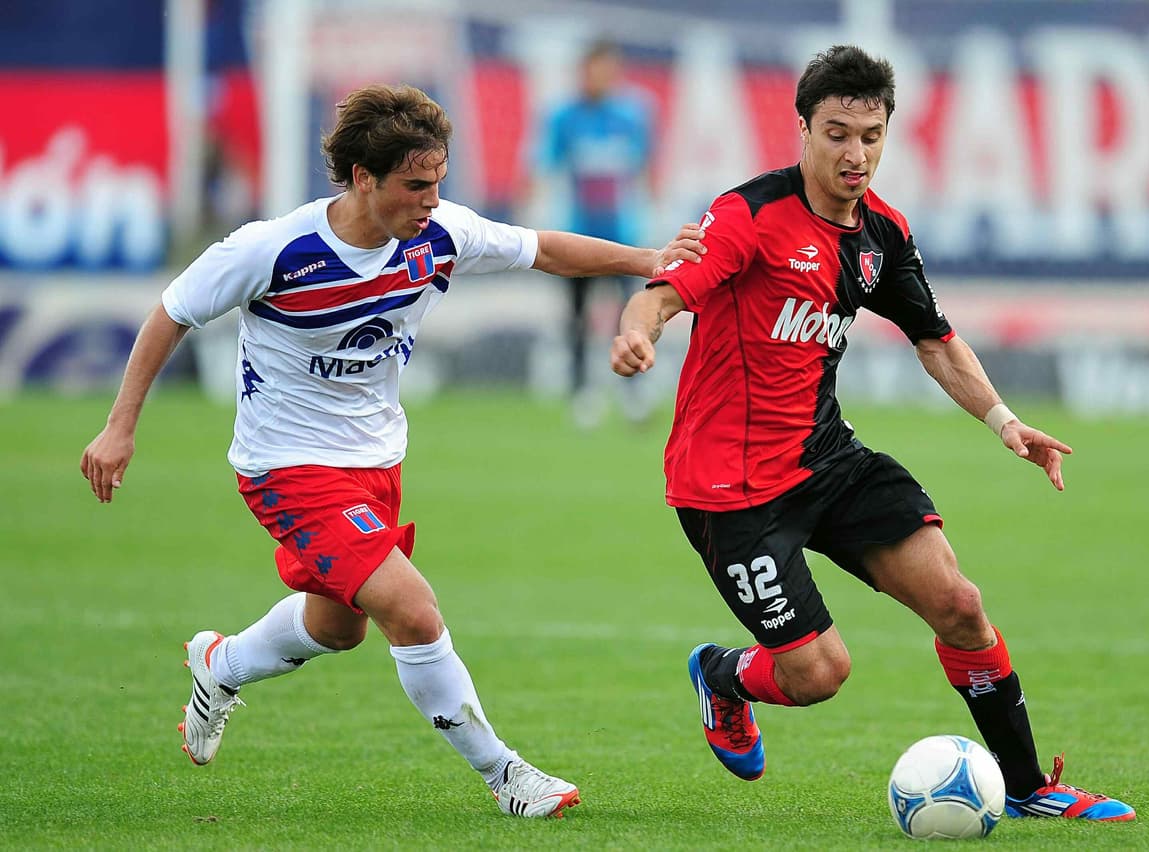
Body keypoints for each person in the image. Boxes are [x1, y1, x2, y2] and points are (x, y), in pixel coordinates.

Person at [80, 84, 703, 820]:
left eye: (438, 182)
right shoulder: (273, 249)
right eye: (415, 185)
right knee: (411, 610)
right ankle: (505, 776)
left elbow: (542, 249)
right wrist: (119, 427)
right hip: (287, 466)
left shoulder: (438, 235)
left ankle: (220, 664)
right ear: (363, 178)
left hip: (375, 462)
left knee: (338, 626)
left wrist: (648, 259)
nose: (432, 201)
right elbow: (171, 313)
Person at [610, 45, 1135, 822]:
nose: (856, 155)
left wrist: (1005, 421)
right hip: (730, 490)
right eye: (837, 134)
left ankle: (1028, 787)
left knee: (959, 603)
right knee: (819, 674)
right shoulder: (748, 216)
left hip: (829, 459)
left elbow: (936, 339)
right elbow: (664, 292)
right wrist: (636, 334)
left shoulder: (882, 233)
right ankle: (723, 676)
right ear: (802, 130)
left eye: (871, 135)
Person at [538, 39, 656, 427]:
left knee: (631, 316)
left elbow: (645, 167)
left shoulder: (632, 115)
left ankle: (632, 392)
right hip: (578, 236)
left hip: (622, 235)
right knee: (577, 318)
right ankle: (581, 393)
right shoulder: (564, 117)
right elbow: (546, 166)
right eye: (593, 69)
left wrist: (652, 214)